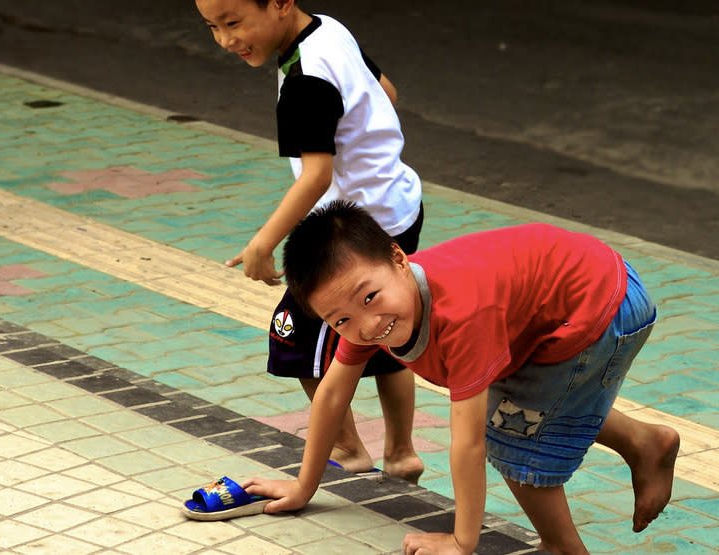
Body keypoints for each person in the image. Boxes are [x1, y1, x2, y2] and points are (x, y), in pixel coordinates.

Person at [243, 201, 681, 555]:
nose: (367, 325)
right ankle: (645, 442)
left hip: (599, 307)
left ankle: (563, 547)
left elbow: (468, 442)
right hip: (571, 298)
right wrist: (304, 486)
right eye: (340, 320)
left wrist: (461, 542)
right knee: (539, 405)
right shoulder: (368, 312)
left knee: (512, 431)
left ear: (399, 258)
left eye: (370, 298)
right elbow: (333, 394)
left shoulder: (464, 314)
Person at [194, 0, 425, 481]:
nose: (225, 40)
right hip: (397, 207)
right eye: (212, 27)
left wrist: (264, 242)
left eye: (233, 23)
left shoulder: (304, 80)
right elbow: (386, 92)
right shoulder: (329, 29)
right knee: (392, 323)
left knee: (295, 334)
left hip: (348, 230)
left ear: (280, 3)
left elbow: (317, 175)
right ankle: (401, 453)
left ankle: (347, 448)